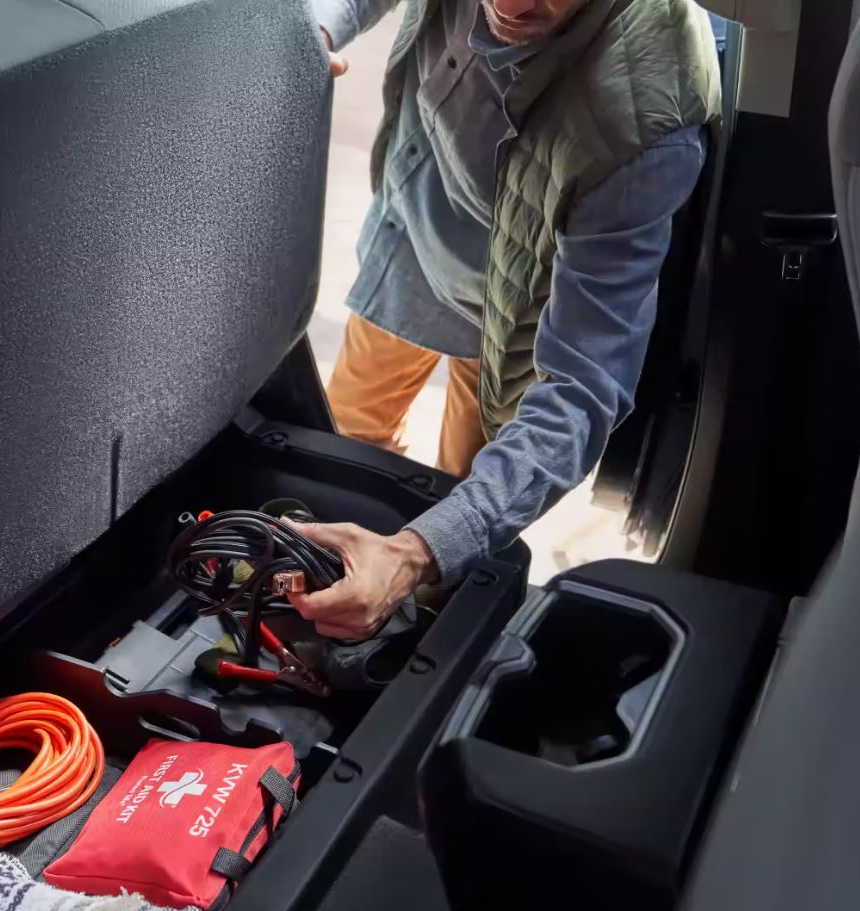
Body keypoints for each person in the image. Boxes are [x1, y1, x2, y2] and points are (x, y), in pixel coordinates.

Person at [289, 0, 721, 641]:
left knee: (453, 501)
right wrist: (316, 28)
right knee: (347, 435)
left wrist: (414, 555)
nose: (514, 3)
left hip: (509, 316)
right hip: (412, 234)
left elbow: (581, 388)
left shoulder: (643, 121)